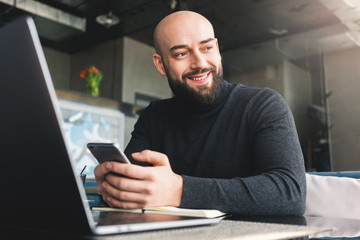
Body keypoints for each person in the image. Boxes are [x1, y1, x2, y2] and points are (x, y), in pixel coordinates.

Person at [94, 10, 306, 216]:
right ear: (161, 64)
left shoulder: (263, 104)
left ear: (217, 49)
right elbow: (133, 188)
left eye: (206, 48)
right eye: (181, 54)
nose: (200, 63)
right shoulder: (153, 116)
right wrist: (115, 186)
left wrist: (180, 190)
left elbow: (291, 193)